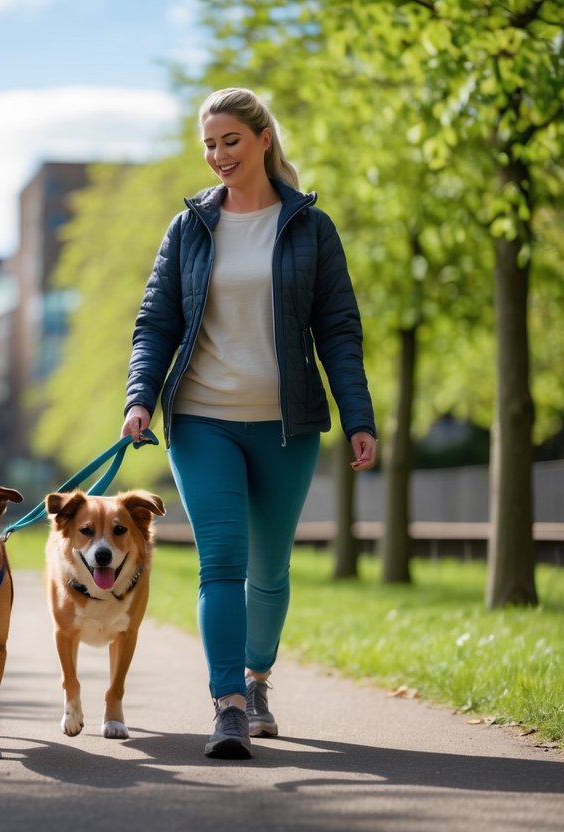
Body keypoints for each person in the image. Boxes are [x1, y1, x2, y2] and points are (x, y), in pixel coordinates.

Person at [120, 87, 378, 760]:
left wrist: (358, 416)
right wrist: (139, 397)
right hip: (203, 419)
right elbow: (155, 323)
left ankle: (258, 677)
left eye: (228, 141)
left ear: (263, 138)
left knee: (268, 569)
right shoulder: (189, 228)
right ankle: (228, 704)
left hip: (285, 425)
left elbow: (338, 332)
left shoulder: (309, 228)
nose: (217, 156)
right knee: (222, 564)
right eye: (208, 145)